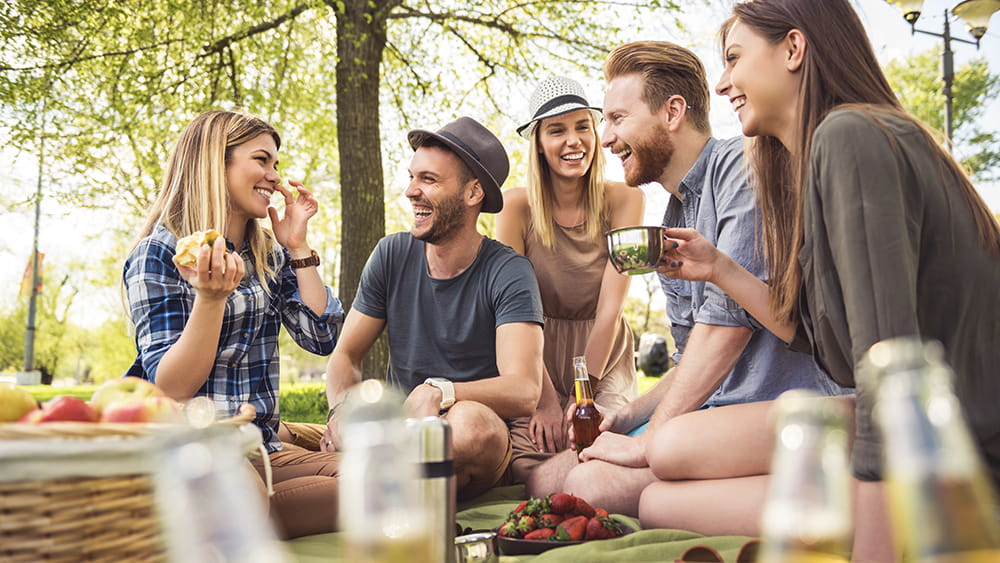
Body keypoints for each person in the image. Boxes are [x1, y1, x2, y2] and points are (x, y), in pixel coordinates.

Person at [647, 0, 1000, 559]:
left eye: (734, 58)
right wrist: (719, 268)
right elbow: (820, 340)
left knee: (670, 466)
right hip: (918, 421)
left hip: (955, 453)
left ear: (793, 48)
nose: (721, 83)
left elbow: (890, 373)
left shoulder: (851, 136)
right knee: (657, 503)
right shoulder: (820, 160)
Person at [525, 41, 846, 515]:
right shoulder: (676, 213)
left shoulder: (741, 166)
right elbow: (691, 356)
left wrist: (648, 440)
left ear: (672, 111)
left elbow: (726, 330)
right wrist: (627, 416)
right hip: (716, 414)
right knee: (545, 478)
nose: (606, 137)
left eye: (617, 118)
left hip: (778, 404)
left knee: (587, 484)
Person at [123, 110, 345, 539]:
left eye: (276, 164)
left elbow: (321, 336)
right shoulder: (159, 253)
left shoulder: (267, 254)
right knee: (246, 491)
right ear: (214, 163)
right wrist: (210, 299)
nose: (275, 177)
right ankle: (227, 514)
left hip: (259, 445)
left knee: (393, 474)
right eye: (261, 160)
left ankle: (221, 521)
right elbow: (171, 386)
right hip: (193, 446)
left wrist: (299, 246)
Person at [322, 116, 545, 499]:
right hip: (400, 430)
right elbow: (345, 355)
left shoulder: (509, 271)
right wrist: (342, 410)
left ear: (473, 192)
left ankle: (380, 478)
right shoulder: (390, 254)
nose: (411, 191)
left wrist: (443, 391)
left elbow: (524, 389)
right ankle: (395, 478)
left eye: (428, 179)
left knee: (466, 425)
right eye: (412, 177)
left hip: (474, 436)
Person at [496, 75, 644, 458]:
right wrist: (544, 399)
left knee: (601, 451)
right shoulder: (514, 207)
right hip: (534, 355)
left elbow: (610, 309)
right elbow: (510, 310)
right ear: (539, 145)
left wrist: (584, 396)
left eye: (583, 126)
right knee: (532, 463)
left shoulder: (626, 199)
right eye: (556, 130)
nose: (573, 140)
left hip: (603, 353)